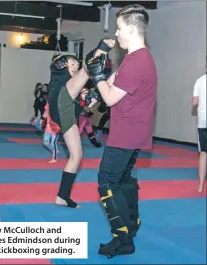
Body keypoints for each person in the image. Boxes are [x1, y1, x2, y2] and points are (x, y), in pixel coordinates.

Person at [85, 4, 157, 258]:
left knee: (106, 181)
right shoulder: (135, 57)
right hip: (134, 130)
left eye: (119, 28)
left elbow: (112, 97)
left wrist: (97, 77)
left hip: (126, 132)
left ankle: (122, 238)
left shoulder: (138, 62)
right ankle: (132, 225)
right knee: (123, 179)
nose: (116, 34)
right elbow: (114, 81)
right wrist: (96, 90)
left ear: (132, 29)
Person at [47, 42, 114, 209]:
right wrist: (101, 49)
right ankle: (102, 46)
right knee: (87, 70)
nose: (75, 66)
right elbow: (60, 65)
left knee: (76, 155)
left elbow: (79, 105)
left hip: (66, 113)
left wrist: (87, 99)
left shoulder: (74, 86)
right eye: (73, 64)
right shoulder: (59, 72)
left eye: (76, 64)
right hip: (61, 100)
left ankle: (62, 196)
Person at [192, 70, 206, 193]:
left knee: (203, 153)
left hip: (203, 122)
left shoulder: (200, 80)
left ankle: (201, 185)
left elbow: (194, 102)